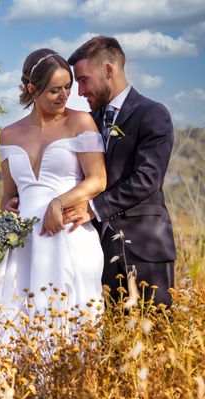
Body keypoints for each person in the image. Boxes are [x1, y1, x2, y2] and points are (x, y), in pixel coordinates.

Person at [0, 49, 107, 353]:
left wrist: (59, 202)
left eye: (68, 87)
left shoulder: (80, 123)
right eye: (55, 89)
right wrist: (6, 212)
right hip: (24, 247)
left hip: (67, 236)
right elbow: (8, 196)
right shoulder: (8, 135)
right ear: (32, 89)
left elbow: (97, 180)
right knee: (10, 324)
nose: (64, 95)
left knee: (66, 322)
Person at [63, 36, 176, 308]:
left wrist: (93, 208)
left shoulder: (152, 114)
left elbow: (148, 179)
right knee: (108, 342)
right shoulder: (89, 122)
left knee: (154, 336)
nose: (80, 91)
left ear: (109, 70)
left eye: (84, 80)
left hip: (146, 250)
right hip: (99, 253)